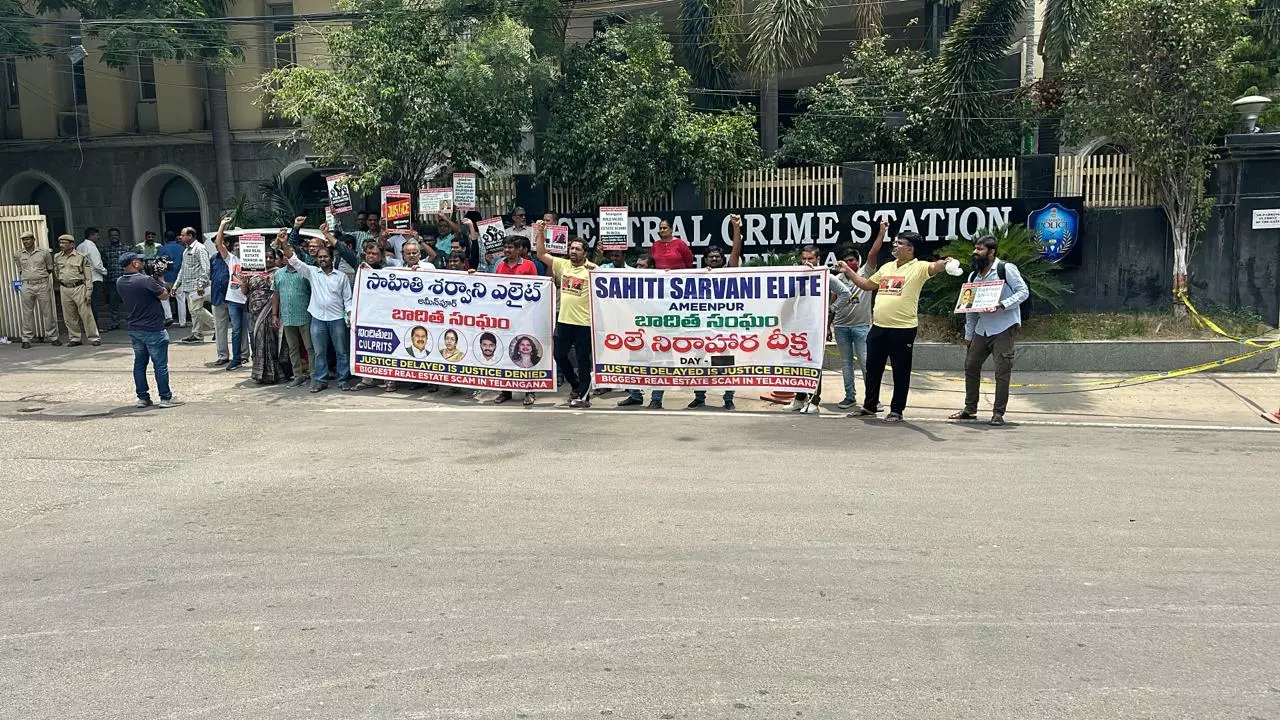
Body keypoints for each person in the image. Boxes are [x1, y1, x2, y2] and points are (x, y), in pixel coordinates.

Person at [843, 231, 954, 424]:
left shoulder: (918, 267)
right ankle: (869, 406)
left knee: (900, 371)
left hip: (902, 330)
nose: (894, 245)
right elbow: (867, 285)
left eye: (899, 243)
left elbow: (935, 266)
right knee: (873, 369)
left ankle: (897, 410)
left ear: (910, 248)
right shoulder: (887, 267)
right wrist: (849, 271)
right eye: (895, 242)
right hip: (878, 328)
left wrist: (946, 262)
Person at [949, 235, 1029, 427]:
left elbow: (1023, 291)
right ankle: (970, 409)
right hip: (981, 329)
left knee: (1002, 371)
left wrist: (1001, 305)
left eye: (980, 249)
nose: (975, 253)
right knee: (971, 366)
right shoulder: (973, 276)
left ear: (991, 252)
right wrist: (968, 335)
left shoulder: (1005, 269)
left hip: (1003, 328)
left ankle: (998, 413)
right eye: (975, 249)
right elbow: (970, 308)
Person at [277, 231, 354, 392]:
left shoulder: (341, 277)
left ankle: (343, 380)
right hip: (318, 318)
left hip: (337, 319)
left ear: (331, 258)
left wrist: (349, 313)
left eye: (325, 256)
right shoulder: (312, 273)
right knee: (319, 352)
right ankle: (320, 380)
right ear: (316, 260)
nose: (322, 259)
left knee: (341, 351)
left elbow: (348, 299)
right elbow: (294, 260)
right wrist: (284, 243)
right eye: (320, 257)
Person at [687, 215, 745, 411]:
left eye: (717, 257)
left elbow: (736, 250)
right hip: (701, 327)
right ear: (705, 260)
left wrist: (736, 228)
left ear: (722, 259)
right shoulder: (697, 276)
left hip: (724, 328)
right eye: (711, 257)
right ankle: (699, 396)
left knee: (725, 364)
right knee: (699, 363)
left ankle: (728, 398)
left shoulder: (729, 271)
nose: (714, 259)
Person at [535, 221, 594, 408]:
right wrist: (540, 232)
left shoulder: (592, 269)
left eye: (577, 249)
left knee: (584, 361)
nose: (573, 251)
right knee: (559, 355)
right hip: (564, 321)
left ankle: (584, 397)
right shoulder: (562, 265)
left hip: (584, 323)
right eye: (571, 248)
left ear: (585, 253)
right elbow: (541, 254)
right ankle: (576, 385)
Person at [831, 219, 888, 410]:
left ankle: (873, 399)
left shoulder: (866, 272)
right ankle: (849, 397)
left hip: (862, 327)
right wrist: (828, 326)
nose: (849, 264)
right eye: (846, 262)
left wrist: (882, 231)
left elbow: (873, 252)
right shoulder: (836, 279)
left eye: (852, 260)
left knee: (866, 364)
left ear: (858, 261)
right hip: (841, 327)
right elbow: (832, 303)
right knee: (846, 364)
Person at [116, 252, 184, 408]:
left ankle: (142, 397)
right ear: (134, 263)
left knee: (139, 363)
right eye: (140, 261)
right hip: (153, 328)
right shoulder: (146, 280)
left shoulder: (120, 282)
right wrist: (160, 279)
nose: (143, 263)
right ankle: (165, 398)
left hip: (134, 328)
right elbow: (165, 296)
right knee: (160, 364)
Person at [644, 219, 696, 409]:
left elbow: (689, 267)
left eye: (665, 228)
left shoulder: (680, 245)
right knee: (661, 349)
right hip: (660, 301)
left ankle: (699, 395)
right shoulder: (655, 246)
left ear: (672, 229)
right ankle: (656, 398)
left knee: (690, 347)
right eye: (659, 228)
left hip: (681, 300)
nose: (661, 230)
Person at [272, 240, 313, 388]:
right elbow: (275, 294)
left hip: (304, 316)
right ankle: (298, 376)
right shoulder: (278, 274)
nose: (287, 258)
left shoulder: (305, 273)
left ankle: (314, 375)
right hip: (287, 317)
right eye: (284, 255)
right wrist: (274, 315)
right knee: (293, 348)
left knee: (310, 347)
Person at [212, 218, 250, 371]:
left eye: (241, 245)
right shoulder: (231, 259)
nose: (238, 247)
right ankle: (236, 359)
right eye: (236, 245)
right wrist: (222, 225)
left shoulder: (254, 260)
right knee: (236, 330)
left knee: (252, 331)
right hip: (234, 299)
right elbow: (218, 243)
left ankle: (256, 358)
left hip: (249, 300)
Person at [14, 231, 60, 348]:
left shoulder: (44, 253)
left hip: (42, 284)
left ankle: (53, 337)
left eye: (28, 239)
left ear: (34, 240)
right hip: (27, 285)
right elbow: (20, 270)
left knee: (47, 311)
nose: (26, 242)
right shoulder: (18, 254)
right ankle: (26, 339)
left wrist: (39, 277)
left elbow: (50, 268)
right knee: (27, 313)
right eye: (24, 240)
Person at [53, 234, 100, 346]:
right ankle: (75, 338)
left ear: (72, 244)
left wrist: (88, 292)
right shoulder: (57, 257)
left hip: (79, 287)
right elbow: (56, 271)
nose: (61, 245)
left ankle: (94, 337)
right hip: (65, 288)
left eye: (64, 243)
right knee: (69, 316)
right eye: (60, 243)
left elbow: (88, 276)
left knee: (86, 314)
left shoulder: (81, 257)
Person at [244, 247, 282, 384]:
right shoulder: (253, 273)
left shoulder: (277, 272)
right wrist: (244, 281)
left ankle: (272, 374)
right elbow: (245, 291)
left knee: (268, 342)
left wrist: (274, 314)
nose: (268, 260)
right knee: (257, 342)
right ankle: (259, 374)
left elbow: (276, 291)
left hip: (268, 310)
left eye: (271, 257)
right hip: (254, 311)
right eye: (265, 257)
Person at [176, 227, 213, 344]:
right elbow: (183, 269)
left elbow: (206, 267)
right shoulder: (186, 250)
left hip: (197, 286)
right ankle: (197, 334)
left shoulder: (200, 248)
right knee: (193, 311)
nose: (180, 237)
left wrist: (201, 284)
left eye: (183, 235)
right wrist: (176, 285)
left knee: (197, 309)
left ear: (190, 236)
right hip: (188, 285)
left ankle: (216, 326)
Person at [77, 227, 108, 330]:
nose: (98, 237)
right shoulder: (91, 247)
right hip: (95, 278)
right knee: (94, 303)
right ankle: (95, 327)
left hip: (83, 279)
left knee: (86, 304)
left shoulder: (79, 246)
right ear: (92, 235)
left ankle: (88, 327)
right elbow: (97, 264)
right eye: (97, 235)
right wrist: (105, 271)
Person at [101, 228, 127, 330]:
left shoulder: (126, 248)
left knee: (129, 301)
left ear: (119, 236)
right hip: (112, 280)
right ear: (109, 237)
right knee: (113, 303)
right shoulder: (105, 249)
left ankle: (133, 322)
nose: (114, 237)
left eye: (116, 235)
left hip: (125, 279)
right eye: (112, 235)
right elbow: (103, 264)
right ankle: (115, 323)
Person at [158, 231, 184, 326]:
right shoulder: (182, 248)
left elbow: (159, 265)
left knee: (164, 298)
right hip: (179, 277)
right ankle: (182, 322)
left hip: (166, 277)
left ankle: (169, 317)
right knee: (181, 299)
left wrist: (160, 277)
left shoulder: (162, 249)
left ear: (165, 238)